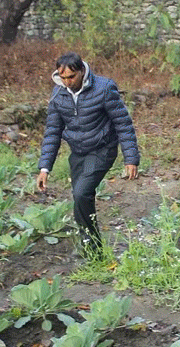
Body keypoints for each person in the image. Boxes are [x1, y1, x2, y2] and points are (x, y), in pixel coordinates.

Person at [37, 52, 140, 256]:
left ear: (82, 71)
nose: (67, 82)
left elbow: (122, 123)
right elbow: (52, 132)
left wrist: (131, 158)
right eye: (63, 77)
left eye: (71, 77)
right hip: (78, 153)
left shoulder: (103, 88)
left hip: (102, 150)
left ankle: (92, 249)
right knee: (81, 200)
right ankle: (91, 246)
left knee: (81, 193)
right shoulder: (58, 94)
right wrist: (44, 168)